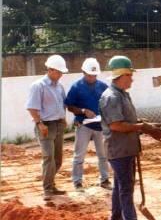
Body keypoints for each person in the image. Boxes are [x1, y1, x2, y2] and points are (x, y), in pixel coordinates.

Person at [99, 55, 161, 220]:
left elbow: (127, 121)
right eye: (130, 75)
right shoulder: (112, 97)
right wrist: (142, 127)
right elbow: (116, 125)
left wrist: (145, 125)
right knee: (126, 187)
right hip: (119, 149)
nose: (132, 79)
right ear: (122, 75)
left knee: (120, 186)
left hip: (126, 148)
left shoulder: (121, 95)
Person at [26, 55, 68, 201]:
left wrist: (63, 119)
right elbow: (32, 108)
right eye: (59, 72)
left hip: (58, 124)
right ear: (50, 70)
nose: (61, 75)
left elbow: (62, 104)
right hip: (45, 125)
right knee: (48, 157)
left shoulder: (59, 87)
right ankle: (47, 189)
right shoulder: (38, 86)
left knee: (58, 159)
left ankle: (51, 183)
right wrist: (40, 124)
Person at [65, 58, 111, 191]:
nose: (92, 78)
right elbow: (69, 106)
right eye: (89, 75)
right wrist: (83, 111)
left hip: (100, 125)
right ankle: (77, 182)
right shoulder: (76, 87)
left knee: (103, 155)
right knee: (79, 155)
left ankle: (105, 180)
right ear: (83, 72)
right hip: (83, 125)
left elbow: (109, 103)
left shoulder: (103, 87)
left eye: (94, 75)